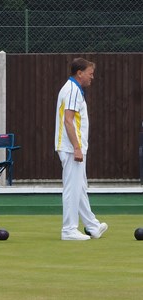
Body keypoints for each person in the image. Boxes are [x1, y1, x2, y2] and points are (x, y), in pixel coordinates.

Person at [54, 57, 108, 241]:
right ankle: (68, 230)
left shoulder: (74, 89)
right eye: (90, 74)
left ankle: (92, 225)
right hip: (71, 148)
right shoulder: (72, 90)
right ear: (80, 73)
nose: (92, 77)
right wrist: (76, 147)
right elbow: (68, 120)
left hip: (74, 147)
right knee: (72, 188)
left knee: (79, 187)